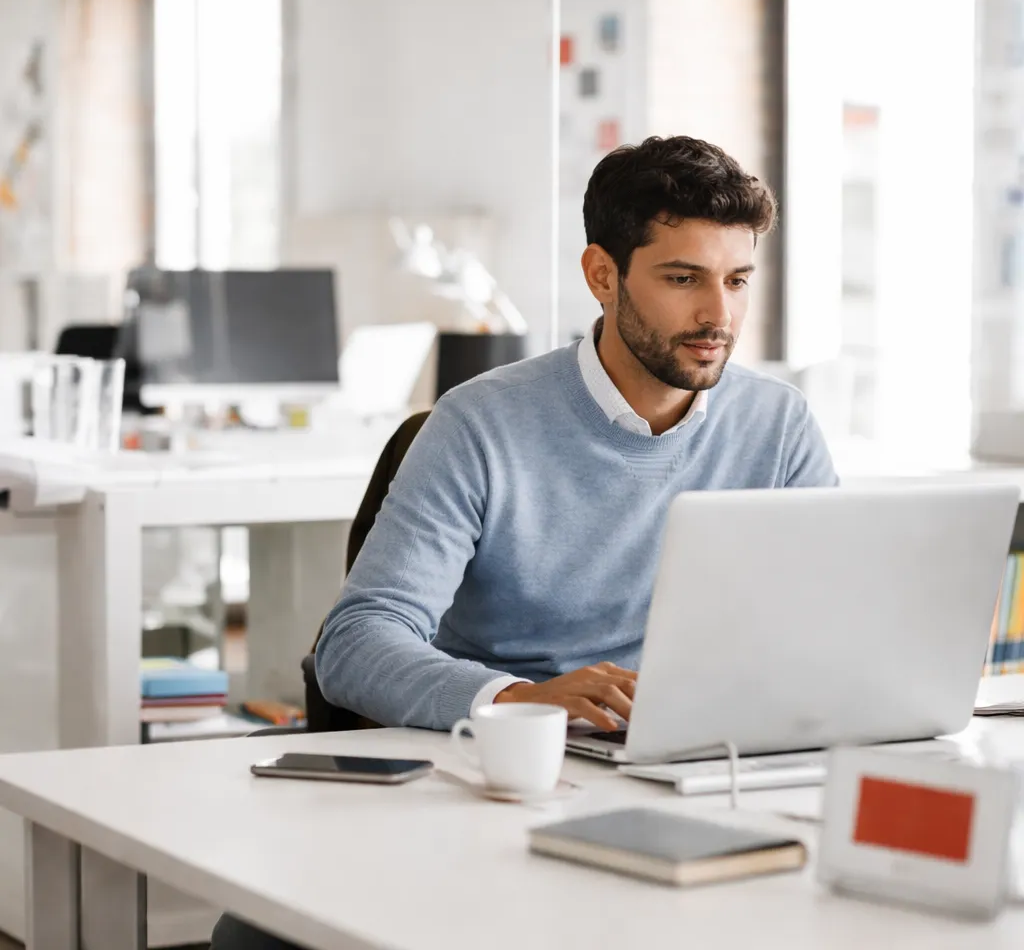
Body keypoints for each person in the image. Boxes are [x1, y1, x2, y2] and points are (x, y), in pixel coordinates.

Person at [209, 135, 836, 949]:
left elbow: (822, 628)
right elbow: (357, 644)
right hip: (501, 787)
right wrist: (518, 700)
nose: (719, 315)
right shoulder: (481, 423)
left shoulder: (778, 424)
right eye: (683, 279)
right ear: (603, 275)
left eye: (738, 280)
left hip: (689, 778)